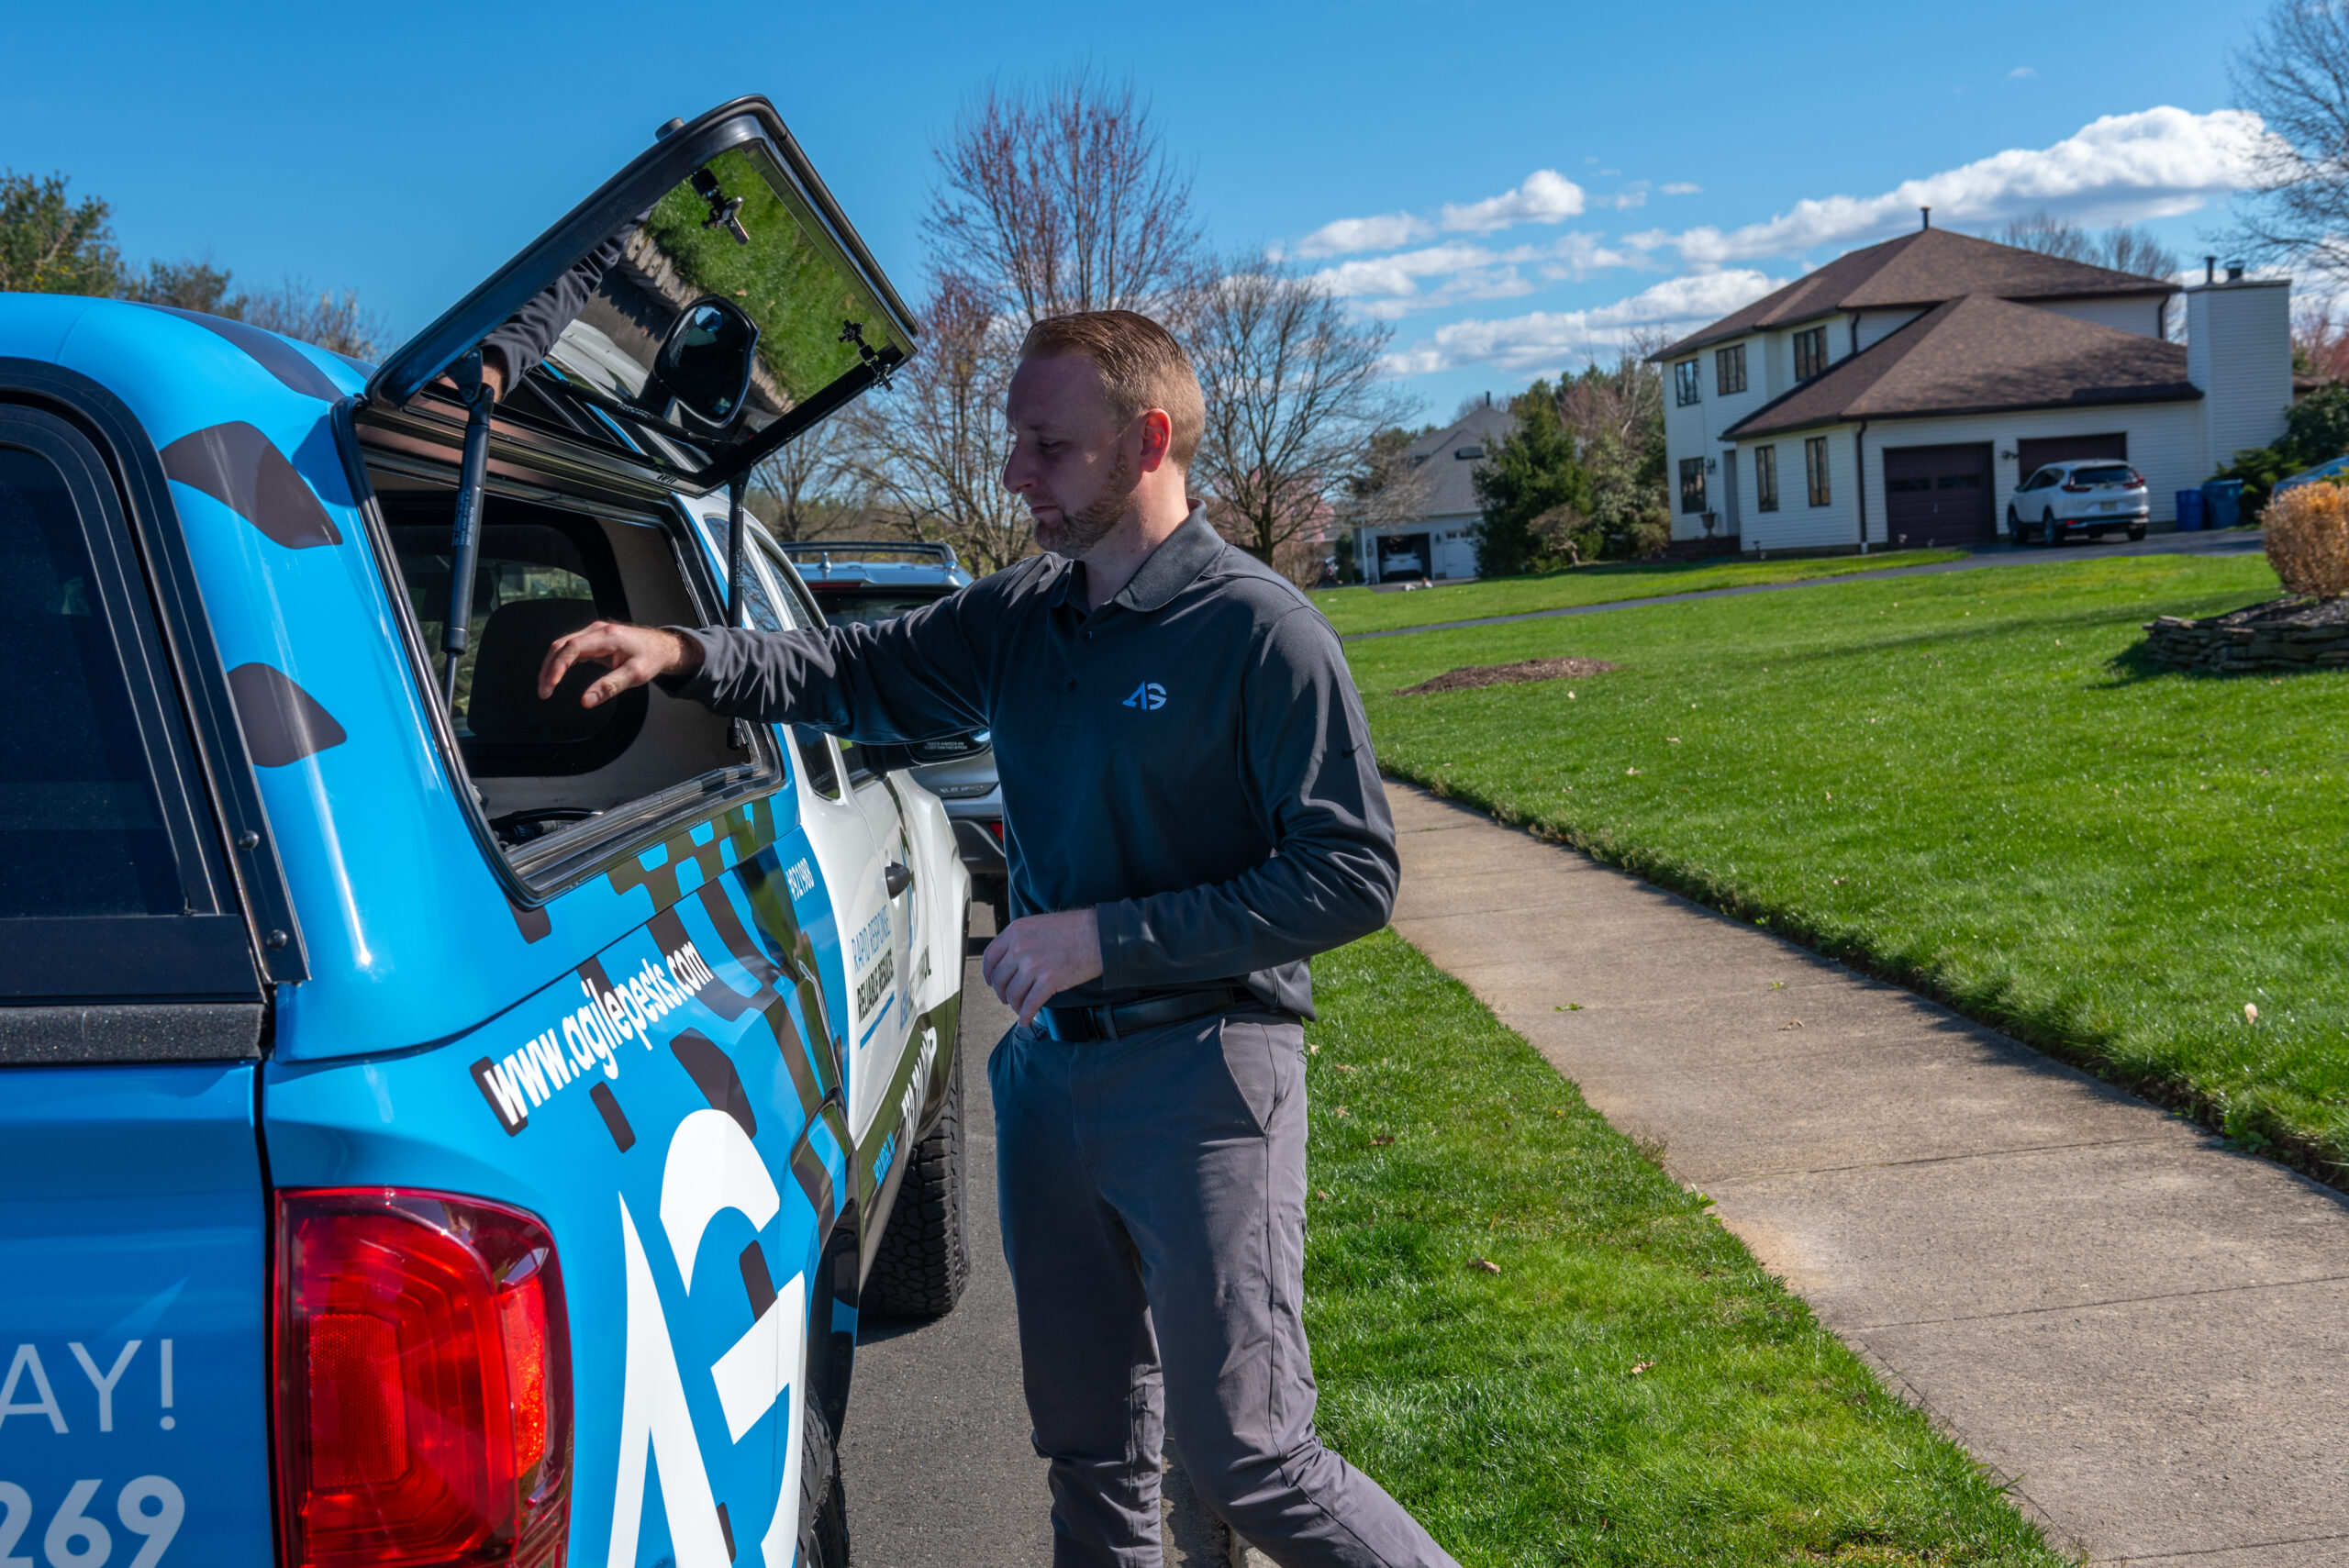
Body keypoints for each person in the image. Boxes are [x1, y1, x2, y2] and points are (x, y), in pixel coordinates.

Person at [537, 309, 1458, 1568]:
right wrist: (685, 650)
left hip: (1207, 1077)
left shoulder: (1260, 633)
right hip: (1048, 1085)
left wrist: (1103, 937)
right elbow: (849, 668)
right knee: (1092, 1457)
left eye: (1045, 445)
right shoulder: (1023, 613)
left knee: (1248, 1452)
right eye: (1015, 442)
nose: (1014, 473)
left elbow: (1352, 873)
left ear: (1145, 442)